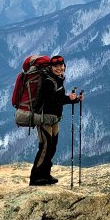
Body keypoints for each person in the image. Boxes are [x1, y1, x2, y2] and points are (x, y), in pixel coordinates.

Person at [29, 55, 84, 186]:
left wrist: (75, 100)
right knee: (45, 148)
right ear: (51, 67)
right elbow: (52, 100)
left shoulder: (57, 79)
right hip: (45, 119)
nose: (59, 68)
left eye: (61, 66)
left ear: (64, 66)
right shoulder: (48, 80)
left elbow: (58, 100)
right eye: (56, 67)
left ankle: (45, 175)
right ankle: (35, 178)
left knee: (51, 148)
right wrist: (69, 99)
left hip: (54, 118)